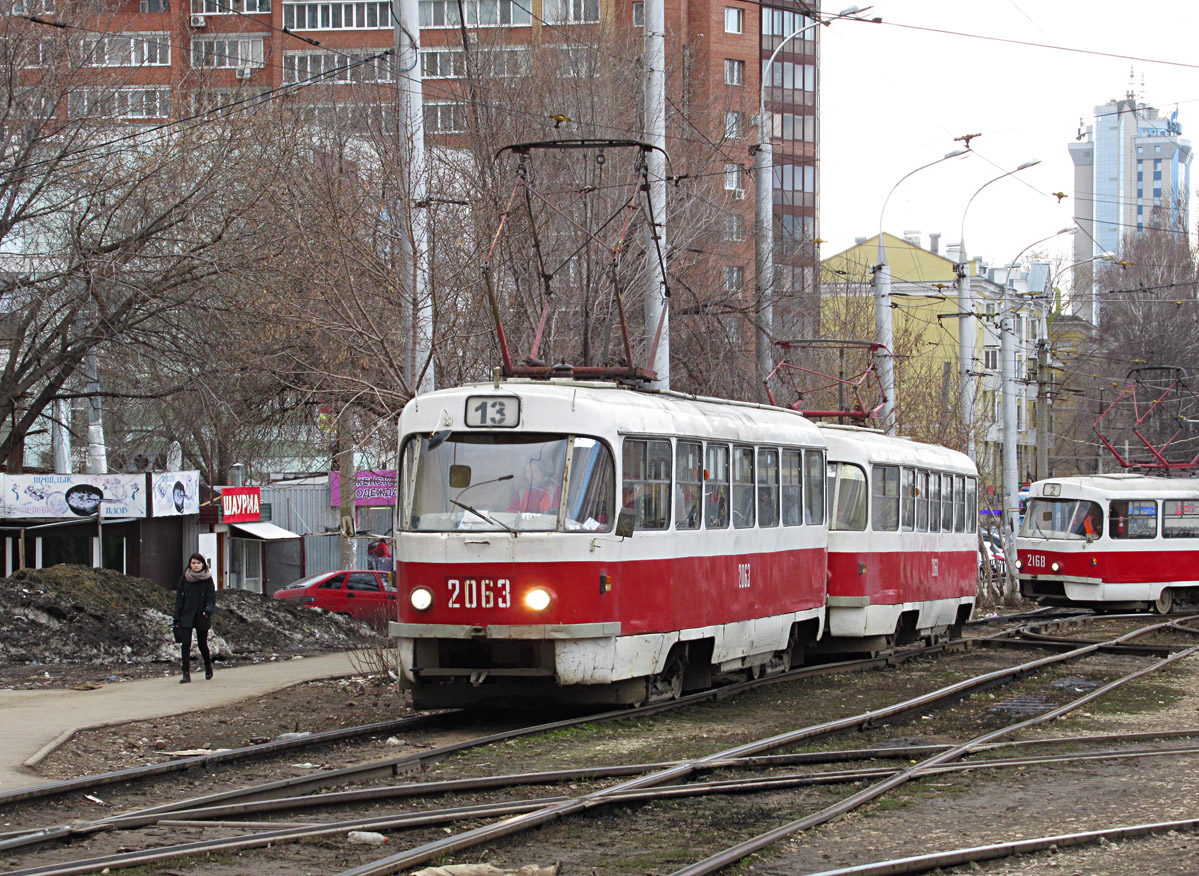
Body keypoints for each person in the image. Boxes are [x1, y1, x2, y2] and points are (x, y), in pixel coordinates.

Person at [174, 553, 216, 683]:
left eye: (198, 563)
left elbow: (211, 598)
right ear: (190, 564)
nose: (196, 565)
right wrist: (176, 617)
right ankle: (186, 674)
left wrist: (208, 610)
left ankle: (208, 666)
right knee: (186, 644)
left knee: (202, 644)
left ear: (203, 564)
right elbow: (179, 598)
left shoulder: (207, 579)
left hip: (202, 615)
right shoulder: (185, 578)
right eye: (193, 563)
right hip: (186, 614)